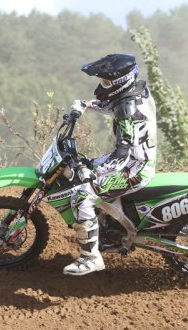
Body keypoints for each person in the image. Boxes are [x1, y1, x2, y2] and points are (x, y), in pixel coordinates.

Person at [63, 53, 158, 276]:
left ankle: (91, 258)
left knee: (82, 194)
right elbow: (112, 105)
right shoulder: (135, 92)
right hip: (135, 160)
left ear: (120, 81)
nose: (102, 85)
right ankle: (106, 226)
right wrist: (86, 104)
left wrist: (94, 173)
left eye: (106, 82)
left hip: (134, 168)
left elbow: (121, 154)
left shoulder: (128, 111)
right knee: (84, 167)